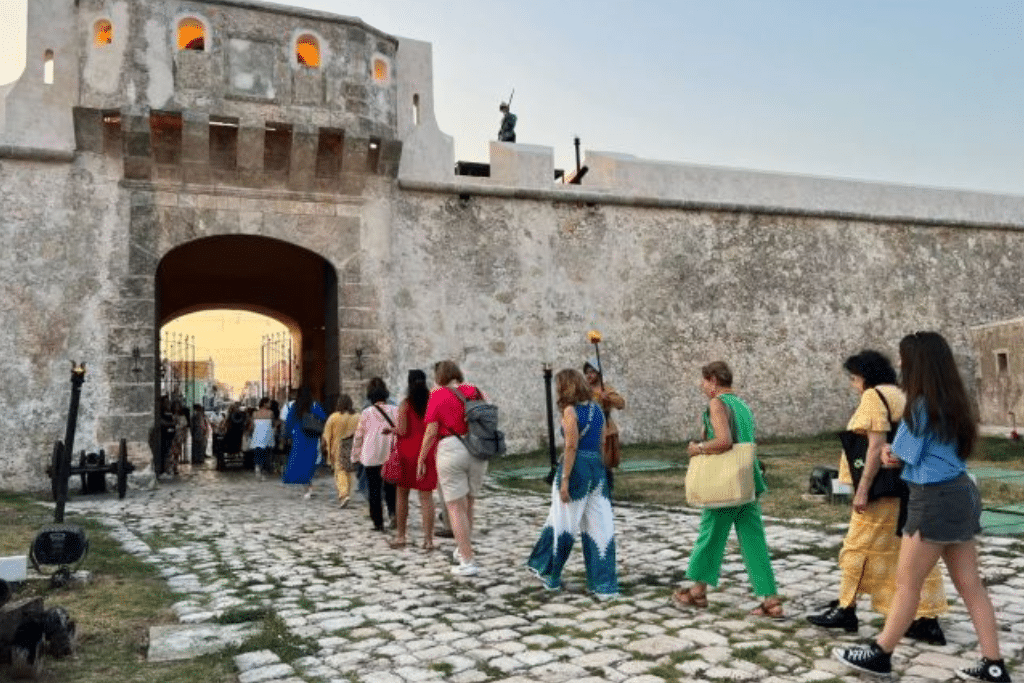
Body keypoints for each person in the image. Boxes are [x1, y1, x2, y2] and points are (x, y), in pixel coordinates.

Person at [834, 332, 1013, 682]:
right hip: (961, 493)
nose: (900, 364)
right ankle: (993, 663)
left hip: (931, 499)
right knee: (971, 585)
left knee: (907, 583)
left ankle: (881, 653)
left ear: (917, 364)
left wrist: (889, 454)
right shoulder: (955, 403)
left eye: (904, 358)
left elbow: (898, 455)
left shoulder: (920, 407)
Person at [807, 350, 948, 642]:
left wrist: (862, 489)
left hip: (879, 490)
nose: (853, 384)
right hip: (903, 488)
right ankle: (926, 618)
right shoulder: (902, 395)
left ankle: (846, 608)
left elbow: (875, 447)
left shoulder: (874, 397)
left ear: (865, 376)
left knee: (857, 547)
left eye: (854, 378)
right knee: (907, 554)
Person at [672, 360, 783, 618]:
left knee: (710, 534)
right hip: (747, 480)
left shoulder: (717, 403)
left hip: (725, 481)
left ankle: (696, 592)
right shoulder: (742, 405)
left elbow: (724, 441)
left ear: (713, 380)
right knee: (754, 540)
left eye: (704, 380)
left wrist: (698, 448)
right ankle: (770, 599)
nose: (702, 386)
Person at [527, 368, 617, 598]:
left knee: (563, 524)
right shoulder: (597, 410)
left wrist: (565, 479)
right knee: (600, 527)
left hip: (576, 469)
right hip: (596, 469)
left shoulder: (570, 411)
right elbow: (600, 442)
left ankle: (551, 575)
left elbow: (571, 446)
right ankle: (604, 584)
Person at [417, 360, 488, 576]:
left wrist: (422, 458)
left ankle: (467, 560)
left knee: (455, 507)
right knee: (469, 504)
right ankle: (463, 547)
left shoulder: (437, 395)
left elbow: (431, 430)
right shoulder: (475, 391)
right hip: (478, 448)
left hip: (451, 448)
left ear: (439, 376)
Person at [387, 370, 438, 550]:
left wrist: (390, 430)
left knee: (402, 495)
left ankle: (401, 536)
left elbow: (402, 431)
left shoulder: (405, 404)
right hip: (426, 452)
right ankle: (428, 540)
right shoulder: (432, 403)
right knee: (426, 498)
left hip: (407, 453)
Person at [352, 378, 398, 531]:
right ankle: (393, 513)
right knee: (391, 487)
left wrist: (355, 456)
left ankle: (378, 522)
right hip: (389, 453)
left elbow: (359, 436)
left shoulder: (366, 413)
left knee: (374, 489)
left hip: (371, 455)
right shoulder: (395, 410)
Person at [583, 359, 626, 492]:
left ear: (598, 373)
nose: (589, 375)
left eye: (592, 372)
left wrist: (608, 398)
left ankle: (607, 491)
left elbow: (621, 403)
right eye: (587, 373)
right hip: (587, 430)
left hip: (604, 429)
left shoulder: (606, 389)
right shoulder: (584, 390)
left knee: (604, 463)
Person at [282, 386, 327, 499]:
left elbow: (289, 421)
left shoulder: (295, 406)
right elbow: (323, 417)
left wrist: (287, 435)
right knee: (310, 460)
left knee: (300, 461)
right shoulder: (314, 405)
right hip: (312, 435)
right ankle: (308, 485)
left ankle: (307, 487)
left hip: (299, 435)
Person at [322, 394, 359, 507]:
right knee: (349, 471)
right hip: (353, 447)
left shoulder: (334, 417)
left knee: (340, 471)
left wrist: (324, 446)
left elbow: (326, 435)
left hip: (337, 447)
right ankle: (348, 493)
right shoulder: (358, 416)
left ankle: (344, 494)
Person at [249, 397, 276, 481]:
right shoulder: (270, 413)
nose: (270, 404)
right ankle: (263, 472)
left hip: (257, 435)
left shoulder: (254, 413)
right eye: (269, 402)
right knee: (266, 454)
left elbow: (252, 426)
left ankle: (257, 467)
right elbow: (273, 424)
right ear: (264, 403)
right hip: (267, 435)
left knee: (258, 452)